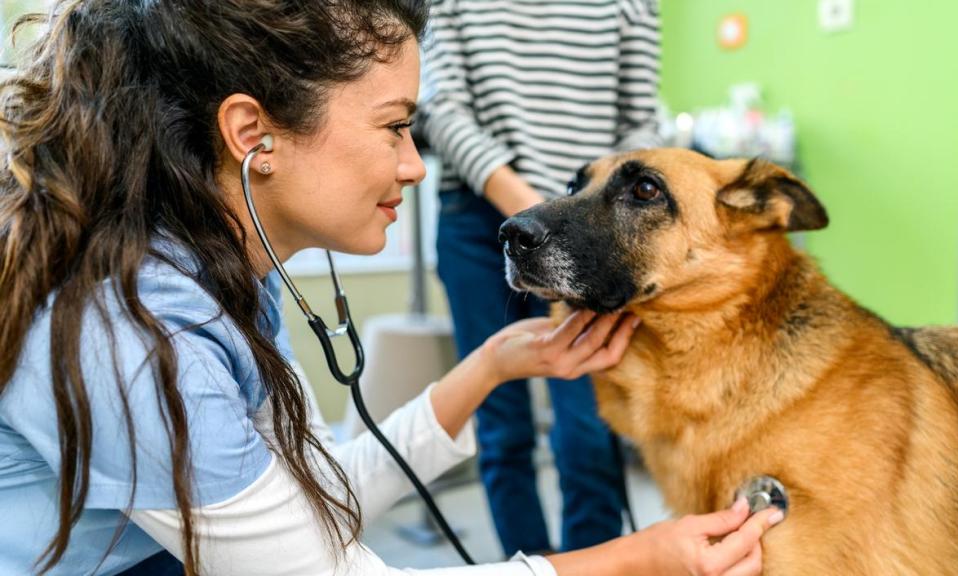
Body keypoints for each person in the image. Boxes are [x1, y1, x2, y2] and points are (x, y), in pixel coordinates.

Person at [0, 1, 781, 575]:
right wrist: (638, 560)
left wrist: (493, 366)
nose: (415, 162)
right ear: (252, 136)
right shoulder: (138, 333)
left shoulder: (225, 278)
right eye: (394, 126)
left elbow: (315, 501)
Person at [420, 0, 664, 556]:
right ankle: (526, 565)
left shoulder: (630, 6)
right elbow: (441, 108)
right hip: (480, 216)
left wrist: (582, 218)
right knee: (503, 428)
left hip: (592, 220)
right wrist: (534, 214)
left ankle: (592, 565)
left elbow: (639, 122)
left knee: (589, 426)